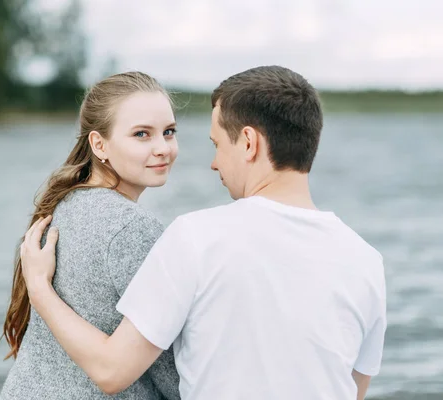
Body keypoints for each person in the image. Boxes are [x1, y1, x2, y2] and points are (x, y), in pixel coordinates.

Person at [20, 66, 387, 400]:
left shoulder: (195, 237)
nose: (213, 163)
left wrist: (39, 288)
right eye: (143, 134)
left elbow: (112, 369)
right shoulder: (368, 262)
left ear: (248, 142)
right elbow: (353, 389)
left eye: (216, 145)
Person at [0, 71, 181, 400]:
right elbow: (172, 372)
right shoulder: (132, 228)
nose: (162, 148)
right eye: (142, 134)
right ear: (99, 144)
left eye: (168, 132)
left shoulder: (63, 203)